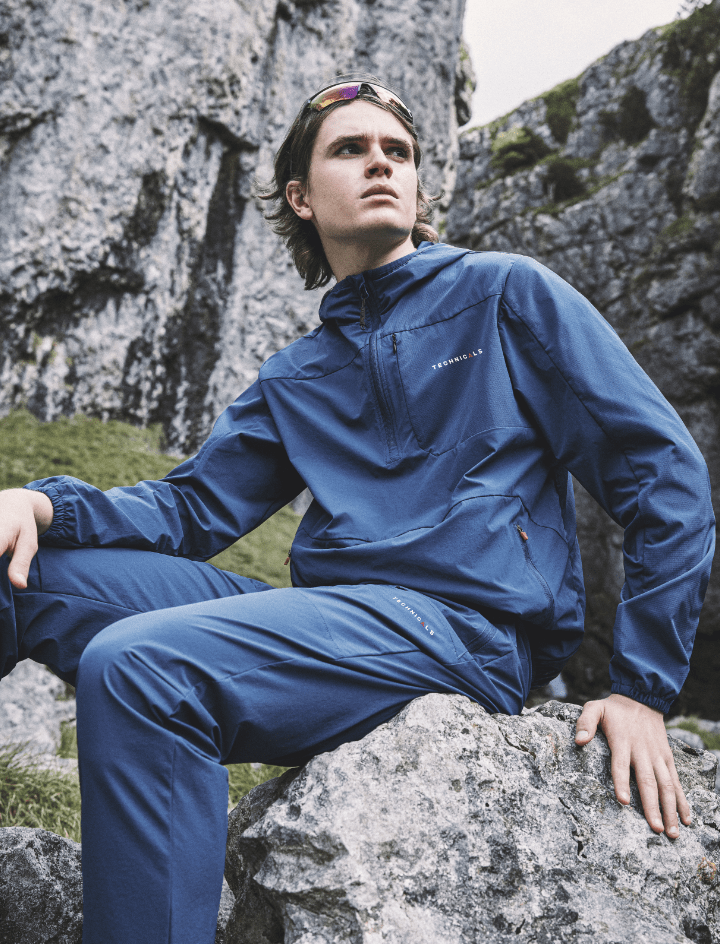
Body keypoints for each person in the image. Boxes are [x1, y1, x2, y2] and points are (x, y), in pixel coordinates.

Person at [0, 74, 714, 944]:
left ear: (417, 188)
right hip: (333, 626)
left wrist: (640, 690)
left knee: (142, 667)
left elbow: (662, 470)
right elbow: (189, 508)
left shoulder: (504, 294)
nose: (381, 163)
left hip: (464, 633)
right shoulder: (298, 372)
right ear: (300, 197)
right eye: (351, 149)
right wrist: (40, 502)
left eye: (398, 152)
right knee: (19, 574)